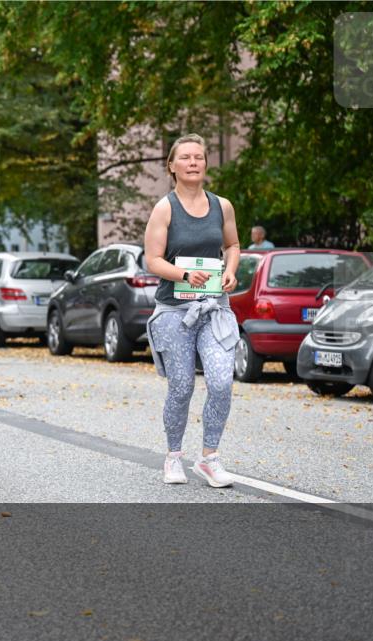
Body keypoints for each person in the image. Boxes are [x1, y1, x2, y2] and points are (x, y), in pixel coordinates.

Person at [143, 133, 241, 488]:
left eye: (199, 156)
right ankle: (173, 457)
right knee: (181, 387)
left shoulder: (222, 206)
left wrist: (230, 270)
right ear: (172, 166)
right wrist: (184, 274)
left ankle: (209, 458)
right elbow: (152, 260)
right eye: (185, 157)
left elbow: (232, 244)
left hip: (214, 308)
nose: (194, 162)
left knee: (220, 382)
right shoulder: (165, 208)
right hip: (174, 311)